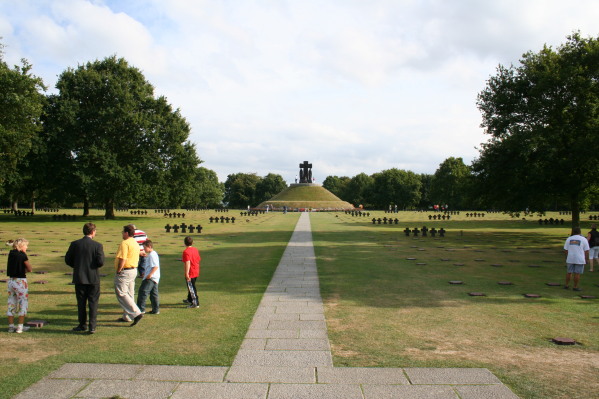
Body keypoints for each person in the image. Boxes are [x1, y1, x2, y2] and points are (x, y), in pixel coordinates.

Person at [65, 223, 105, 334]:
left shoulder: (75, 244)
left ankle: (82, 324)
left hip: (79, 277)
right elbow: (100, 262)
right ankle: (92, 326)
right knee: (93, 302)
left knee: (81, 302)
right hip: (93, 278)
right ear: (93, 232)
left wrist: (77, 266)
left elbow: (68, 260)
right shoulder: (97, 245)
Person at [114, 225, 143, 326]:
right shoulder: (135, 242)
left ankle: (136, 313)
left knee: (121, 293)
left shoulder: (125, 243)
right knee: (130, 293)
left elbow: (123, 258)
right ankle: (128, 316)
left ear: (126, 233)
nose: (122, 233)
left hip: (125, 271)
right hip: (133, 270)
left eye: (123, 232)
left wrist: (118, 270)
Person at [7, 238, 33, 333]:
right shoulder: (22, 255)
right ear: (21, 246)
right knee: (23, 303)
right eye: (26, 245)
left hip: (11, 281)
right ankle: (20, 327)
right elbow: (29, 268)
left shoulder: (11, 253)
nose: (27, 247)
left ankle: (10, 326)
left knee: (11, 303)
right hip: (20, 282)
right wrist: (24, 270)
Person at [136, 240, 160, 315]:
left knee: (143, 292)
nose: (144, 249)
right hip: (155, 278)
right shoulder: (152, 254)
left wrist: (149, 275)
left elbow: (155, 266)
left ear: (149, 246)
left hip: (150, 278)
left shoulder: (152, 254)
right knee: (153, 294)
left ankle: (141, 309)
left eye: (144, 247)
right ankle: (155, 310)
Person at [563, 227, 590, 291]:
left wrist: (568, 255)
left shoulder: (569, 239)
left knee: (569, 272)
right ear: (580, 232)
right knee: (577, 273)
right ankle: (575, 286)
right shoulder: (583, 239)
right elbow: (587, 250)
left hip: (570, 258)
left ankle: (566, 285)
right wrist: (586, 258)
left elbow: (565, 249)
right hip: (580, 259)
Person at [182, 236, 200, 308]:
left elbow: (187, 263)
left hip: (191, 272)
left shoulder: (186, 252)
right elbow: (197, 259)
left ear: (184, 243)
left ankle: (195, 303)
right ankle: (189, 299)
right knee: (191, 286)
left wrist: (187, 273)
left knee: (192, 287)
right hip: (196, 269)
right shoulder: (195, 250)